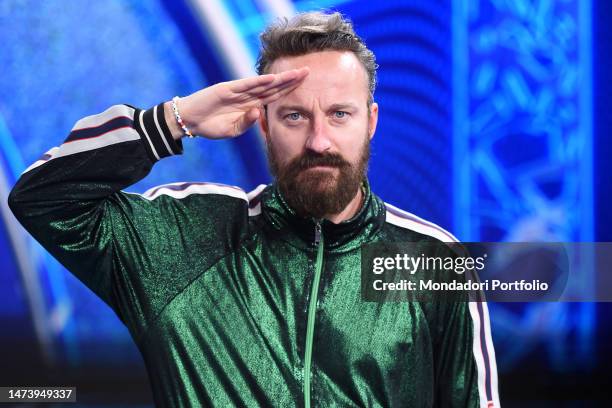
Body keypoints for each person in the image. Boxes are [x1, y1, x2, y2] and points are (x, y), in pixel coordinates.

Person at [8, 11, 500, 408]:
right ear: (262, 124)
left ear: (370, 122)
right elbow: (42, 198)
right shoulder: (181, 238)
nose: (318, 140)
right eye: (294, 116)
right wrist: (174, 120)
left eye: (339, 114)